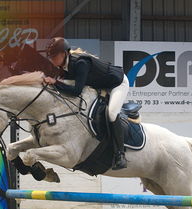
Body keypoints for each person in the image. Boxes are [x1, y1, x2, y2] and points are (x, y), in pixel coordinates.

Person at [43, 37, 129, 170]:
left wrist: (55, 83)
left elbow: (76, 91)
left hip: (117, 83)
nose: (51, 59)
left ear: (64, 53)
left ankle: (120, 155)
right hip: (102, 85)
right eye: (50, 56)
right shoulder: (63, 66)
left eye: (54, 56)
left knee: (111, 113)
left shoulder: (80, 63)